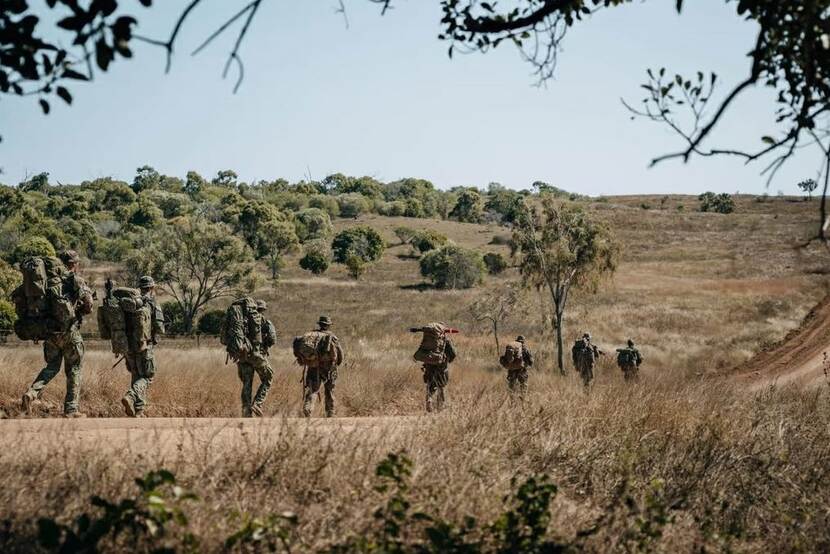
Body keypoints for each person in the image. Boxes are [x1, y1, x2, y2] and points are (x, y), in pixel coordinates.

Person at [21, 250, 93, 417]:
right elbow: (89, 305)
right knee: (74, 369)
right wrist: (80, 308)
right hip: (70, 332)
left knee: (52, 367)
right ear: (74, 264)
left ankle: (31, 393)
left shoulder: (45, 282)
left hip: (49, 333)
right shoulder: (74, 280)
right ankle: (71, 409)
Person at [121, 276, 164, 417]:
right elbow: (159, 328)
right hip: (144, 345)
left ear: (140, 287)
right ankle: (131, 396)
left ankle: (139, 410)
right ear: (151, 288)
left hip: (128, 345)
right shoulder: (152, 303)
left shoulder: (129, 304)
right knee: (148, 376)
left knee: (136, 374)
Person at [237, 300, 276, 417]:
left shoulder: (242, 321)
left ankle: (246, 412)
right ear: (263, 309)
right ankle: (258, 404)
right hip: (257, 355)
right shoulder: (265, 321)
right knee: (268, 377)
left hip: (243, 356)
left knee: (247, 384)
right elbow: (273, 339)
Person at [299, 316, 343, 418]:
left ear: (320, 324)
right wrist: (336, 364)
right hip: (329, 368)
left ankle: (308, 408)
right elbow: (340, 353)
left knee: (313, 389)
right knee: (329, 390)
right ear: (328, 325)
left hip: (313, 366)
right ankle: (330, 412)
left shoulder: (312, 335)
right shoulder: (332, 336)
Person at [410, 323, 458, 412]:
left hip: (428, 364)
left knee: (430, 384)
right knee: (441, 386)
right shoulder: (445, 340)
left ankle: (429, 399)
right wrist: (449, 360)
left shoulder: (427, 341)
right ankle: (440, 407)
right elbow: (453, 353)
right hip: (441, 365)